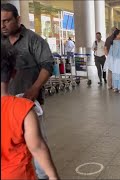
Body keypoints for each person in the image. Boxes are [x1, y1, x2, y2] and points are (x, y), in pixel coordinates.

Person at [1, 3, 54, 179]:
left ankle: (43, 175)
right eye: (0, 22)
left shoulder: (34, 40)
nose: (2, 25)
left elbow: (47, 65)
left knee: (37, 144)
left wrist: (34, 89)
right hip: (4, 103)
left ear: (18, 19)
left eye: (6, 21)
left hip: (28, 103)